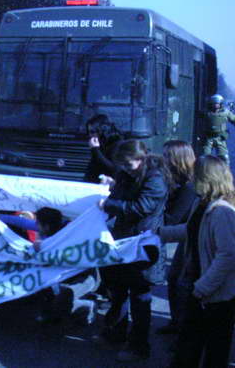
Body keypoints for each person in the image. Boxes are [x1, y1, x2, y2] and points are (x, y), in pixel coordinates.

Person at [159, 156, 235, 368]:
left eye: (196, 174)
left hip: (217, 295)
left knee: (213, 351)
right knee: (189, 345)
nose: (191, 177)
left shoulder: (221, 211)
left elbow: (228, 255)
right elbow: (193, 230)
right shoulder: (201, 203)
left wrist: (203, 287)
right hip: (200, 287)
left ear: (205, 177)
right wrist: (161, 233)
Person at [97, 139, 168, 362]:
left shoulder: (155, 178)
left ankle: (139, 346)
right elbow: (118, 196)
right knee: (118, 290)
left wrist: (109, 205)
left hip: (143, 244)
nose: (125, 169)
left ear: (140, 158)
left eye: (128, 164)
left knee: (140, 297)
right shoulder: (127, 174)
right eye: (123, 165)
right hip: (124, 241)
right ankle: (116, 332)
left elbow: (141, 208)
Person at [156, 141, 199, 336]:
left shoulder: (188, 187)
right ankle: (176, 324)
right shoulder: (178, 180)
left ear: (177, 159)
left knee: (179, 280)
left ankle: (181, 328)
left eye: (167, 155)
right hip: (187, 234)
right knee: (175, 279)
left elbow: (173, 219)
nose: (163, 159)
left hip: (193, 237)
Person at [83, 114, 123, 184]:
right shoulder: (101, 143)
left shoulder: (117, 144)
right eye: (88, 132)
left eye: (92, 132)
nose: (90, 135)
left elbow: (114, 168)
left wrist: (95, 150)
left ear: (102, 130)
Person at [202, 94, 235, 164]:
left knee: (224, 157)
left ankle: (225, 170)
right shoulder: (207, 113)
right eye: (214, 104)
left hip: (220, 138)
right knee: (205, 156)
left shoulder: (226, 112)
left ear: (221, 104)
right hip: (209, 137)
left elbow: (233, 119)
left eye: (217, 104)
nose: (216, 105)